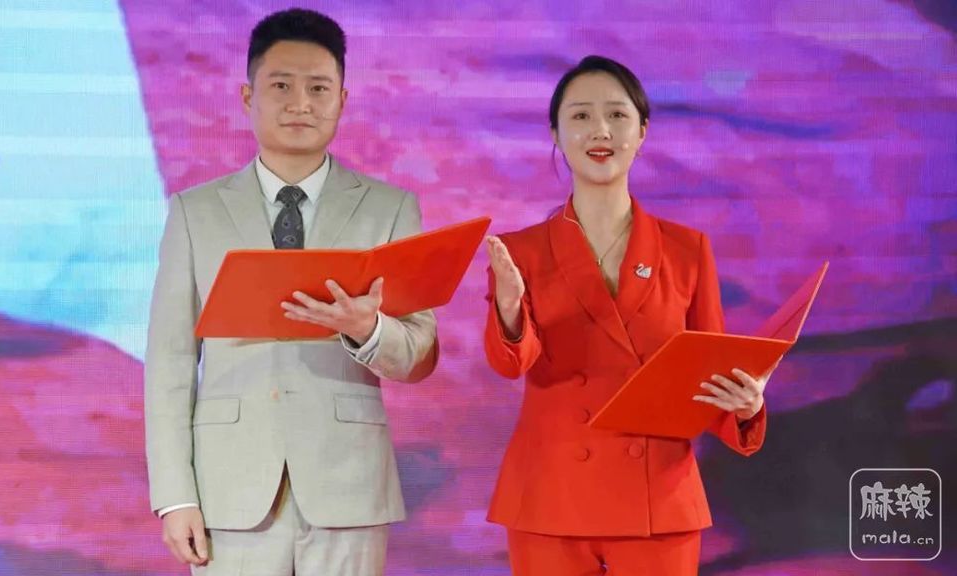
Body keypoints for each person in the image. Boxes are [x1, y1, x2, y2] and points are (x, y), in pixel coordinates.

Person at [144, 8, 438, 575]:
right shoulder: (194, 212)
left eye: (318, 88)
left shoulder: (389, 208)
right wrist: (176, 496)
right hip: (229, 491)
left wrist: (368, 330)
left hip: (348, 487)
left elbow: (419, 354)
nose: (300, 103)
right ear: (246, 96)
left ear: (343, 100)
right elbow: (170, 362)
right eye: (281, 86)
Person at [483, 55, 771, 575]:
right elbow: (510, 363)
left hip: (657, 496)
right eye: (581, 115)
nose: (601, 130)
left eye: (617, 115)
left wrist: (745, 406)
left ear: (642, 132)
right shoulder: (518, 252)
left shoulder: (687, 250)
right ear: (555, 133)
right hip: (551, 496)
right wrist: (508, 310)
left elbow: (708, 373)